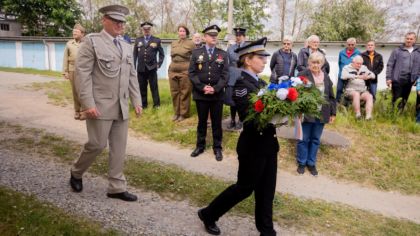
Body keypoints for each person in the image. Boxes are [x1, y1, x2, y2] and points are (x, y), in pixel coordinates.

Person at [197, 37, 278, 236]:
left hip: (269, 144)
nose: (265, 60)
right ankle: (208, 214)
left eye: (265, 57)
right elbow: (248, 117)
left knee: (267, 192)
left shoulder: (261, 82)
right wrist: (274, 113)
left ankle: (267, 232)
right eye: (261, 57)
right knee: (244, 188)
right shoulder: (242, 84)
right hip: (253, 146)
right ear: (247, 60)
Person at [70, 4, 142, 202]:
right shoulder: (92, 42)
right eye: (116, 21)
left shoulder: (127, 45)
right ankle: (76, 172)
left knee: (119, 147)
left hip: (122, 105)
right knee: (96, 144)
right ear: (105, 20)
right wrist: (87, 103)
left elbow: (132, 76)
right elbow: (81, 75)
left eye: (122, 22)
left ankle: (116, 187)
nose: (120, 25)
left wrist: (137, 100)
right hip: (99, 105)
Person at [189, 25, 228, 161]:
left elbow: (225, 74)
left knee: (217, 122)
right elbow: (192, 73)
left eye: (215, 35)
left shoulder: (223, 54)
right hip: (201, 94)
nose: (214, 37)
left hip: (217, 94)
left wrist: (216, 88)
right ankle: (200, 146)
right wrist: (202, 87)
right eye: (211, 35)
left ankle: (217, 148)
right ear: (205, 37)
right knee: (202, 121)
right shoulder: (195, 53)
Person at [296, 52, 336, 176]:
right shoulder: (303, 75)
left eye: (318, 62)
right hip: (306, 113)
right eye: (313, 62)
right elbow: (296, 94)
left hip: (322, 113)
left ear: (322, 64)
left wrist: (333, 113)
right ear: (309, 63)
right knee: (303, 139)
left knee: (315, 139)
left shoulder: (326, 77)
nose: (315, 65)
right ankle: (302, 162)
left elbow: (331, 96)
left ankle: (311, 163)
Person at [133, 21, 165, 108]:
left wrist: (159, 64)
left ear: (150, 29)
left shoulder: (156, 40)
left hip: (152, 68)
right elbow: (135, 55)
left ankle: (156, 104)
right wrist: (134, 67)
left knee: (154, 87)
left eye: (148, 29)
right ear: (142, 30)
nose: (146, 30)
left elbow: (162, 54)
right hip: (141, 68)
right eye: (145, 29)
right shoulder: (138, 40)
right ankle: (143, 104)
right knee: (142, 87)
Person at [386, 32, 420, 111]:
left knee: (404, 99)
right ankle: (393, 115)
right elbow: (390, 64)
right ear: (405, 39)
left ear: (414, 40)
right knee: (396, 99)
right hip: (397, 79)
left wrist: (417, 78)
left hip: (410, 80)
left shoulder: (418, 52)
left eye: (411, 39)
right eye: (407, 38)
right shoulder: (397, 50)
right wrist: (388, 78)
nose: (409, 40)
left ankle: (399, 115)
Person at [168, 25, 195, 122]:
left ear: (186, 32)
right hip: (173, 69)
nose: (182, 33)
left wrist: (190, 69)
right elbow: (172, 56)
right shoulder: (174, 43)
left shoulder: (191, 43)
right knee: (174, 92)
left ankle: (184, 114)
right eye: (180, 31)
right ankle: (176, 113)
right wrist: (170, 68)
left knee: (184, 92)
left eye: (183, 31)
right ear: (178, 32)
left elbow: (194, 57)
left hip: (185, 70)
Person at [226, 27, 247, 130]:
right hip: (232, 76)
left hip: (244, 76)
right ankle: (233, 120)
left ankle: (241, 120)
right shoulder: (230, 48)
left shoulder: (248, 48)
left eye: (240, 36)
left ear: (244, 37)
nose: (238, 37)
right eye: (237, 36)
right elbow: (227, 63)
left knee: (242, 99)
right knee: (232, 99)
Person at [62, 23, 85, 120]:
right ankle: (77, 111)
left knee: (84, 91)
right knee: (75, 91)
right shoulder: (69, 44)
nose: (74, 33)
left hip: (84, 71)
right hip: (72, 70)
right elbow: (65, 58)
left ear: (82, 33)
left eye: (76, 32)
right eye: (73, 32)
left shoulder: (86, 43)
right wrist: (65, 71)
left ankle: (84, 111)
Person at [336, 38, 361, 103]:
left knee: (350, 91)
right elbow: (339, 63)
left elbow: (359, 64)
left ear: (355, 45)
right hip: (342, 75)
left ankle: (347, 105)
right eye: (349, 44)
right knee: (339, 90)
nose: (350, 46)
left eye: (352, 44)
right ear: (346, 44)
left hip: (352, 76)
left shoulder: (358, 53)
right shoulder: (341, 52)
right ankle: (338, 104)